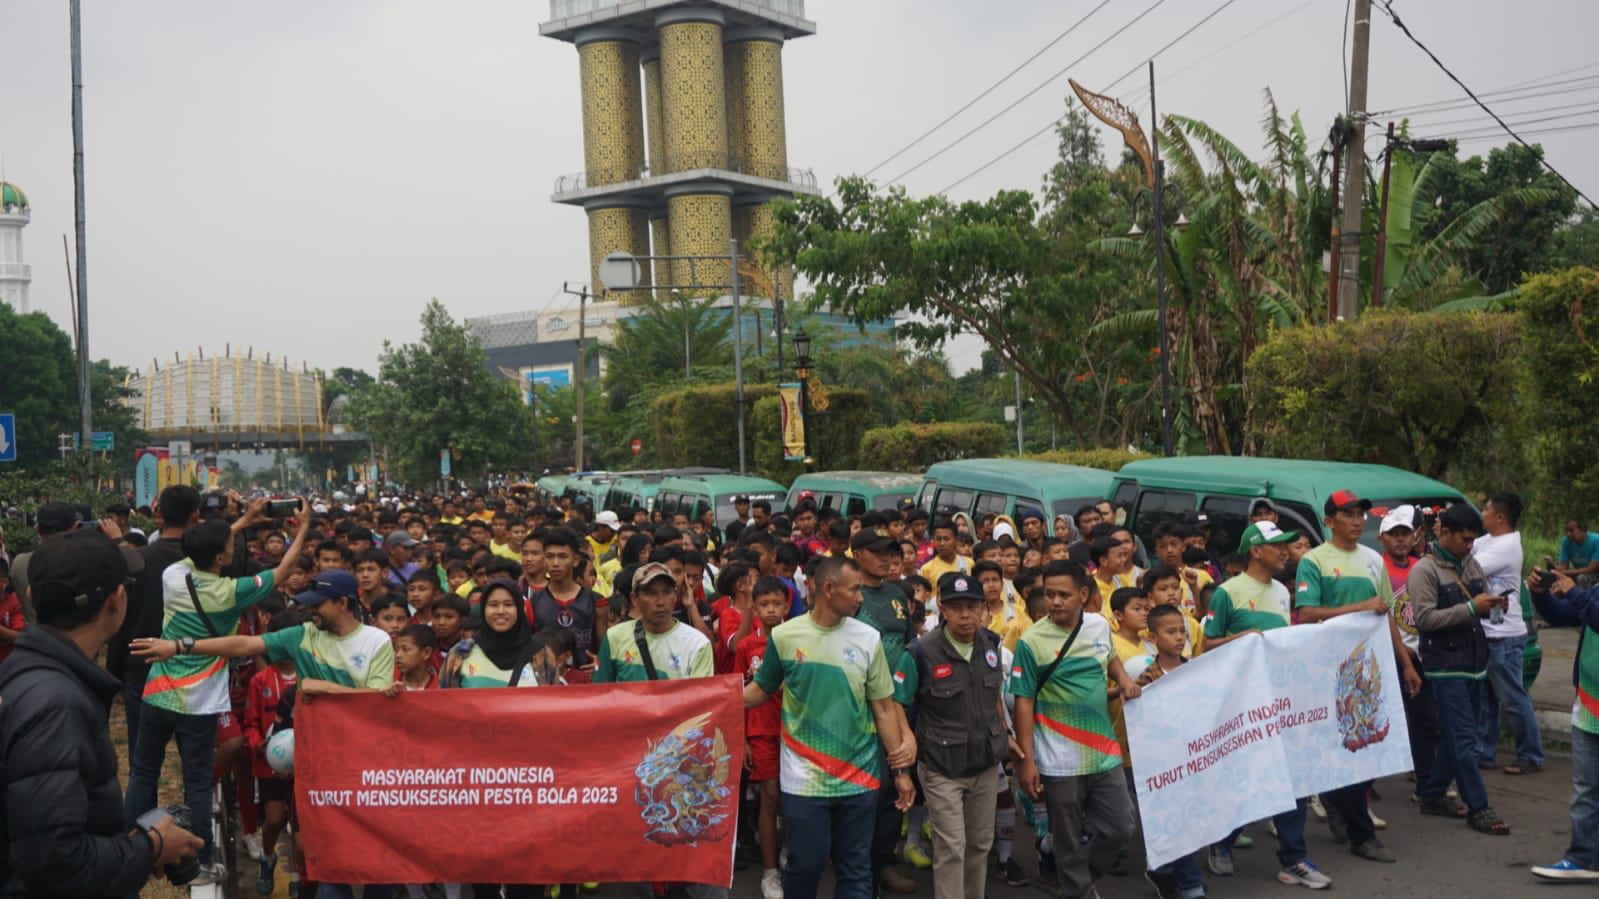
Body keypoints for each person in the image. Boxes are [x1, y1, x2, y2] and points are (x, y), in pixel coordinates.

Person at [132, 569, 397, 899]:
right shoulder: (302, 635)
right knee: (328, 862)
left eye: (319, 605)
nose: (311, 611)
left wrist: (323, 688)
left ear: (343, 603)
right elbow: (243, 643)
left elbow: (377, 704)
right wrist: (181, 646)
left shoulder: (377, 642)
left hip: (364, 769)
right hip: (316, 768)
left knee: (378, 865)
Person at [0, 527, 204, 897]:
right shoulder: (55, 705)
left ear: (31, 596)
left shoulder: (35, 677)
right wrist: (150, 846)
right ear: (116, 601)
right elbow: (55, 864)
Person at [126, 497, 312, 885]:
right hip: (200, 701)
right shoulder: (233, 592)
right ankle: (203, 859)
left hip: (158, 691)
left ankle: (132, 849)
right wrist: (304, 528)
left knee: (143, 772)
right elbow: (282, 571)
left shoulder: (173, 575)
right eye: (229, 546)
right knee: (196, 780)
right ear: (222, 558)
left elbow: (206, 545)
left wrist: (242, 521)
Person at [743, 556, 916, 899]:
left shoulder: (868, 638)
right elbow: (760, 690)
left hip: (859, 777)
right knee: (805, 865)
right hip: (804, 780)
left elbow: (883, 707)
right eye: (854, 590)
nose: (861, 598)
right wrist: (709, 700)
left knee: (855, 869)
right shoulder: (785, 636)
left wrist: (901, 771)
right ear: (828, 589)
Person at [1201, 521, 1331, 890]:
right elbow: (1206, 646)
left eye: (1287, 546)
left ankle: (1293, 858)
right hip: (1243, 704)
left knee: (1294, 777)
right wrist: (1241, 638)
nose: (1286, 551)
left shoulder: (1281, 592)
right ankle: (1222, 841)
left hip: (1280, 698)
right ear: (1256, 550)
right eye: (1278, 546)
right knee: (1247, 777)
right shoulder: (1228, 593)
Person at [1293, 489, 1420, 863]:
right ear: (1330, 521)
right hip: (1328, 670)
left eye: (1360, 515)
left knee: (1369, 745)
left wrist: (1406, 663)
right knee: (1346, 745)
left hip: (1370, 667)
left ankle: (1342, 807)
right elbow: (1308, 614)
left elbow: (1386, 614)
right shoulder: (1313, 561)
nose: (1356, 521)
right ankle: (1360, 833)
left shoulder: (1372, 560)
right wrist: (1360, 606)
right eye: (1347, 515)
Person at [1012, 560, 1141, 899]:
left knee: (1120, 828)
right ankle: (1078, 890)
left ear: (1083, 595)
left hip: (1104, 753)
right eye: (1050, 594)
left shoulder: (1098, 626)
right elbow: (1022, 700)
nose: (1055, 601)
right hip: (1058, 760)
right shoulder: (1031, 642)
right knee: (1068, 839)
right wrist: (1027, 760)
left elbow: (1109, 658)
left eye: (1064, 595)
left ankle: (1080, 879)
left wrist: (1125, 680)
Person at [894, 572, 1017, 899]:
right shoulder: (919, 652)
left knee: (979, 844)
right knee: (952, 846)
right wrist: (903, 769)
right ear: (942, 609)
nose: (965, 615)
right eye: (956, 607)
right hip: (940, 766)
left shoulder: (990, 643)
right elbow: (898, 707)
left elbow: (992, 697)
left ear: (982, 608)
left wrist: (1005, 732)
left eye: (972, 607)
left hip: (985, 763)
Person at [1408, 504, 1512, 836]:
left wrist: (1493, 607)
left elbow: (1479, 606)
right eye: (1465, 539)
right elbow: (1423, 620)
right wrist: (1470, 607)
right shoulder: (1424, 571)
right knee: (1465, 739)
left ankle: (1432, 794)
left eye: (1473, 540)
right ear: (1445, 533)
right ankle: (1479, 807)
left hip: (1474, 664)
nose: (1470, 546)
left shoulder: (1471, 564)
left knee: (1457, 737)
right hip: (1444, 666)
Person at [851, 526, 921, 894]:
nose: (886, 558)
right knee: (870, 792)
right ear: (857, 553)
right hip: (862, 708)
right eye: (877, 552)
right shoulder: (850, 596)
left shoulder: (896, 593)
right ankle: (862, 871)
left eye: (890, 552)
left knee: (900, 783)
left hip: (900, 703)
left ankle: (884, 862)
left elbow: (910, 643)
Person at [1528, 567, 1599, 881]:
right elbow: (1563, 616)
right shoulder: (1595, 590)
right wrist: (1541, 595)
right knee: (1586, 789)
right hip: (1589, 706)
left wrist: (1574, 592)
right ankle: (1583, 858)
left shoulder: (1588, 593)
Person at [1135, 604, 1211, 899]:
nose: (1179, 637)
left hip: (1195, 759)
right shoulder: (1146, 679)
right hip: (1164, 764)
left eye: (1182, 631)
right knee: (1176, 820)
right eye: (1171, 632)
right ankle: (1191, 884)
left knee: (1190, 820)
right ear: (1153, 637)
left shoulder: (1196, 671)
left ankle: (1164, 870)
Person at [1472, 493, 1544, 775]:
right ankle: (1484, 753)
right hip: (1489, 631)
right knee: (1487, 698)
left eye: (1486, 509)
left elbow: (1468, 568)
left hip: (1504, 634)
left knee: (1512, 698)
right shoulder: (1488, 540)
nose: (1482, 513)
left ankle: (1530, 754)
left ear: (1500, 517)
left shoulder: (1506, 546)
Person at [734, 577, 791, 899]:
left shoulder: (797, 640)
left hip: (795, 730)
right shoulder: (746, 647)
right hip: (761, 731)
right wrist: (741, 739)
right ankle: (770, 872)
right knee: (769, 798)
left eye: (776, 604)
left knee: (793, 799)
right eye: (764, 604)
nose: (771, 610)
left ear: (786, 606)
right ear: (754, 608)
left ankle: (790, 852)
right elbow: (737, 693)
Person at [243, 611, 300, 897]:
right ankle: (268, 859)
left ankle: (300, 876)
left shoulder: (310, 677)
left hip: (305, 768)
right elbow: (250, 724)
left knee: (303, 830)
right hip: (269, 767)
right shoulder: (260, 681)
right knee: (275, 819)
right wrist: (259, 745)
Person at [594, 562, 713, 683]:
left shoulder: (698, 645)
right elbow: (599, 692)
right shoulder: (614, 638)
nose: (660, 602)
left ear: (675, 596)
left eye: (667, 592)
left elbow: (701, 699)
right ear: (634, 599)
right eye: (651, 593)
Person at [1559, 519, 1599, 584]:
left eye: (1571, 530)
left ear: (1583, 530)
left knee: (1582, 578)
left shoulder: (1596, 541)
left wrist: (1566, 572)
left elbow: (1591, 569)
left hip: (1595, 574)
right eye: (1566, 531)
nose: (1568, 534)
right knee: (1559, 578)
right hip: (1580, 574)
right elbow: (1563, 567)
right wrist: (1553, 567)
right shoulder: (1566, 541)